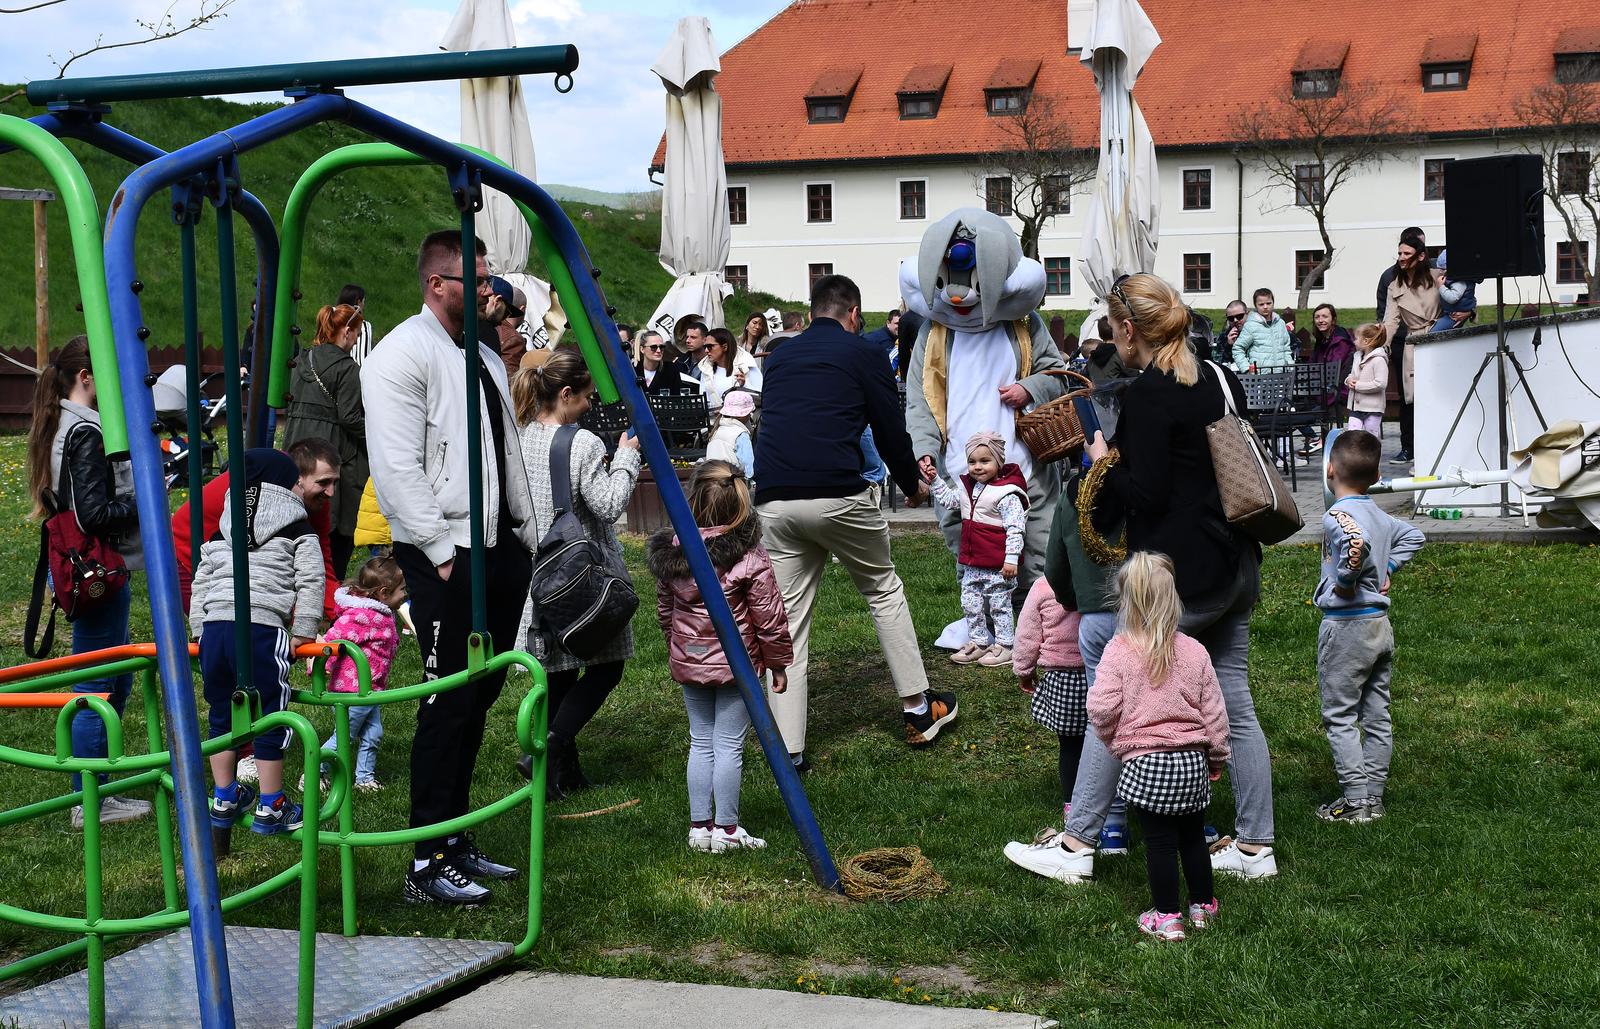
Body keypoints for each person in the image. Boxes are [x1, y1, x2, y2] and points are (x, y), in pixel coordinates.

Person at [1007, 273, 1277, 884]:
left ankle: (1078, 844)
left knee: (1117, 685)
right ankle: (1256, 846)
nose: (1111, 336)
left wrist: (1102, 464)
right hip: (1234, 563)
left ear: (1129, 331)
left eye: (1112, 325)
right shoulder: (1215, 376)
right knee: (1233, 701)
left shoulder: (1151, 395)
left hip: (1182, 577)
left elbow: (1146, 493)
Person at [364, 229, 540, 905]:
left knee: (479, 694)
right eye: (477, 279)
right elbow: (397, 464)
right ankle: (425, 858)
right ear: (438, 282)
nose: (490, 290)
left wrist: (524, 533)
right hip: (447, 550)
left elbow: (505, 448)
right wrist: (437, 552)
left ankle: (455, 835)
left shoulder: (480, 353)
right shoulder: (404, 353)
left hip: (496, 544)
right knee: (445, 699)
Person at [755, 274, 950, 765]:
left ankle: (789, 747)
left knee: (789, 622)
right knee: (883, 590)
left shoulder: (778, 358)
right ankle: (918, 708)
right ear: (854, 315)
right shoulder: (864, 353)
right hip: (837, 495)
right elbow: (889, 426)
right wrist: (912, 485)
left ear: (812, 309)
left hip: (774, 500)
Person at [28, 336, 152, 828]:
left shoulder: (61, 424)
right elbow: (95, 513)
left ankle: (98, 786)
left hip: (84, 566)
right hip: (95, 568)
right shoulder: (85, 431)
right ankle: (89, 800)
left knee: (112, 673)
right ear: (86, 377)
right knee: (95, 686)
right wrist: (145, 501)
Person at [512, 350, 642, 796]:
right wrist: (625, 458)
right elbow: (607, 504)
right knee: (606, 668)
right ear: (565, 394)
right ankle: (547, 747)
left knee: (560, 673)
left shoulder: (523, 434)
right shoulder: (582, 442)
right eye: (585, 397)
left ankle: (561, 772)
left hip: (542, 569)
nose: (589, 405)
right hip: (583, 573)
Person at [646, 460, 794, 854]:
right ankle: (726, 829)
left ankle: (700, 828)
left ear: (692, 501)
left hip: (690, 661)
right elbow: (769, 616)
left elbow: (666, 610)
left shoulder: (674, 553)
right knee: (728, 744)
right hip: (735, 666)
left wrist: (675, 644)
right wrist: (778, 662)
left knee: (701, 741)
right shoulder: (748, 556)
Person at [1087, 552, 1230, 943]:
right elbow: (1215, 713)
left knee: (1160, 843)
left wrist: (1114, 740)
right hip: (1191, 763)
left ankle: (1167, 917)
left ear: (1125, 601)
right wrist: (1216, 756)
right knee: (1192, 836)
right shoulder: (1195, 650)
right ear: (1175, 599)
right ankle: (1204, 906)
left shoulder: (1119, 650)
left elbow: (1101, 707)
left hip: (1146, 764)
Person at [191, 449, 325, 841]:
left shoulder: (222, 530)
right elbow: (311, 580)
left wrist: (199, 628)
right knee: (271, 712)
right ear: (286, 486)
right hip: (262, 628)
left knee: (220, 711)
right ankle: (272, 803)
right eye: (297, 481)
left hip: (215, 630)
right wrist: (302, 628)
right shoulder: (299, 527)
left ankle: (224, 795)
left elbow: (202, 579)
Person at [1314, 429, 1425, 823]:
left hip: (1346, 628)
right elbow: (1415, 535)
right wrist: (1390, 567)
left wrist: (1346, 579)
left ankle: (1356, 801)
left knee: (1341, 714)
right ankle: (1374, 796)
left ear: (1329, 469)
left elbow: (1352, 542)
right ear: (1377, 476)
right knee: (1377, 712)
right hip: (1379, 625)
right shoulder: (1380, 514)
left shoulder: (1335, 516)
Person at [173, 437, 341, 625]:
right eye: (324, 482)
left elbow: (319, 559)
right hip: (188, 549)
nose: (331, 492)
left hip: (234, 551)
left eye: (335, 482)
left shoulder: (315, 498)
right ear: (298, 479)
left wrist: (343, 611)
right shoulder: (261, 484)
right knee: (222, 625)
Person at [304, 556, 408, 794]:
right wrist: (319, 666)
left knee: (373, 734)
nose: (405, 594)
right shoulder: (361, 616)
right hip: (351, 689)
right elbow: (334, 639)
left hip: (370, 687)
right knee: (344, 737)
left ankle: (364, 779)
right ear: (383, 592)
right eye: (402, 589)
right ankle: (313, 773)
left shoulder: (382, 613)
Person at [929, 432, 1028, 667]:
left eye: (985, 461)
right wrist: (935, 481)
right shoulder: (967, 489)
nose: (977, 467)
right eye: (972, 461)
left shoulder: (1007, 493)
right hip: (973, 563)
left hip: (998, 565)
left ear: (998, 461)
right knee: (970, 602)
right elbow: (950, 501)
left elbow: (1016, 528)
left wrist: (1011, 558)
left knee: (999, 604)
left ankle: (1005, 645)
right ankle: (979, 642)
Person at [282, 303, 367, 578]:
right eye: (356, 332)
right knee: (332, 531)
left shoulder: (300, 360)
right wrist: (379, 436)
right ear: (346, 331)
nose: (356, 338)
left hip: (296, 448)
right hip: (330, 452)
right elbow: (351, 418)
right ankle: (328, 590)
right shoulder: (347, 369)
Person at [1013, 574, 1085, 828]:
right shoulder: (1101, 579)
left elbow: (1027, 634)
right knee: (1103, 744)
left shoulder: (1043, 585)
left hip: (1061, 676)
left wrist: (1024, 670)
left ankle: (1071, 804)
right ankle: (1111, 803)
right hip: (1100, 670)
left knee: (1070, 746)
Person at [1377, 228, 1433, 465]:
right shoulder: (1394, 285)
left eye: (1406, 253)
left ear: (1420, 256)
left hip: (1438, 339)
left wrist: (1468, 311)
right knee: (1409, 397)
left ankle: (1435, 445)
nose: (1401, 257)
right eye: (1399, 252)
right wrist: (1382, 347)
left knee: (1437, 396)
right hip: (1411, 344)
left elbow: (1457, 300)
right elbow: (1390, 320)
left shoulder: (1436, 277)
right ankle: (1409, 448)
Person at [1310, 303, 1357, 424]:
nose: (1320, 320)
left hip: (1339, 391)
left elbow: (1333, 371)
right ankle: (1315, 438)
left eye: (1325, 316)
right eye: (1317, 317)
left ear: (1333, 320)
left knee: (1307, 413)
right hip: (1323, 390)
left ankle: (1318, 439)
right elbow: (1312, 366)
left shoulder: (1340, 341)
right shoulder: (1322, 340)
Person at [698, 326, 762, 412]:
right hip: (713, 419)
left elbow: (760, 396)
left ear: (724, 347)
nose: (706, 350)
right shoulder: (706, 367)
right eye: (705, 347)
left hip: (742, 420)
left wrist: (744, 385)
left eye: (710, 346)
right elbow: (702, 398)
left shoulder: (746, 363)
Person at [1231, 288, 1293, 372]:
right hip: (1260, 377)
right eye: (1261, 304)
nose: (1265, 307)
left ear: (1273, 303)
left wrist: (1291, 368)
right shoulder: (1251, 325)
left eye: (1268, 303)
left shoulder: (1280, 323)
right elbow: (1238, 348)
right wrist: (1246, 368)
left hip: (1282, 376)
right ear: (1255, 305)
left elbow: (1286, 348)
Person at [1344, 323, 1389, 436]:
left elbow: (1381, 383)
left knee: (1371, 438)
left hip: (1372, 408)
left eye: (1356, 338)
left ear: (1365, 341)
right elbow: (1352, 375)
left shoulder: (1379, 360)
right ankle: (1354, 454)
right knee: (1352, 436)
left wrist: (1358, 386)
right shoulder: (1357, 356)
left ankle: (1372, 454)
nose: (1354, 341)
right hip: (1356, 407)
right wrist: (1349, 380)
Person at [705, 388, 756, 479]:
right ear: (745, 415)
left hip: (711, 477)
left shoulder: (716, 430)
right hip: (731, 481)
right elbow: (749, 468)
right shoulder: (741, 434)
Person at [488, 277, 530, 379]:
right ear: (497, 301)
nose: (506, 317)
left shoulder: (463, 323)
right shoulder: (513, 339)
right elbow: (510, 383)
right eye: (507, 312)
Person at [1432, 249, 1477, 332]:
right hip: (1449, 313)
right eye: (1439, 269)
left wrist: (1441, 286)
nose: (1440, 272)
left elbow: (1453, 298)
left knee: (1433, 333)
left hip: (1453, 316)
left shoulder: (1459, 281)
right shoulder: (1452, 279)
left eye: (1442, 269)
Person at [635, 329, 692, 394]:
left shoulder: (671, 369)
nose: (658, 350)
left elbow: (677, 397)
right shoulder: (633, 370)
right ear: (642, 349)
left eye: (661, 347)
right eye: (653, 347)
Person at [341, 284, 376, 366]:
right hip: (352, 375)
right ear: (359, 302)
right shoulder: (363, 326)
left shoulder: (331, 320)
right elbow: (362, 360)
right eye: (363, 301)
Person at [1212, 300, 1248, 368]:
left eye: (1239, 316)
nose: (1235, 320)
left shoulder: (1258, 331)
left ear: (1247, 314)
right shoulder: (1223, 337)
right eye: (1231, 318)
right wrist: (1229, 346)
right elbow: (1221, 363)